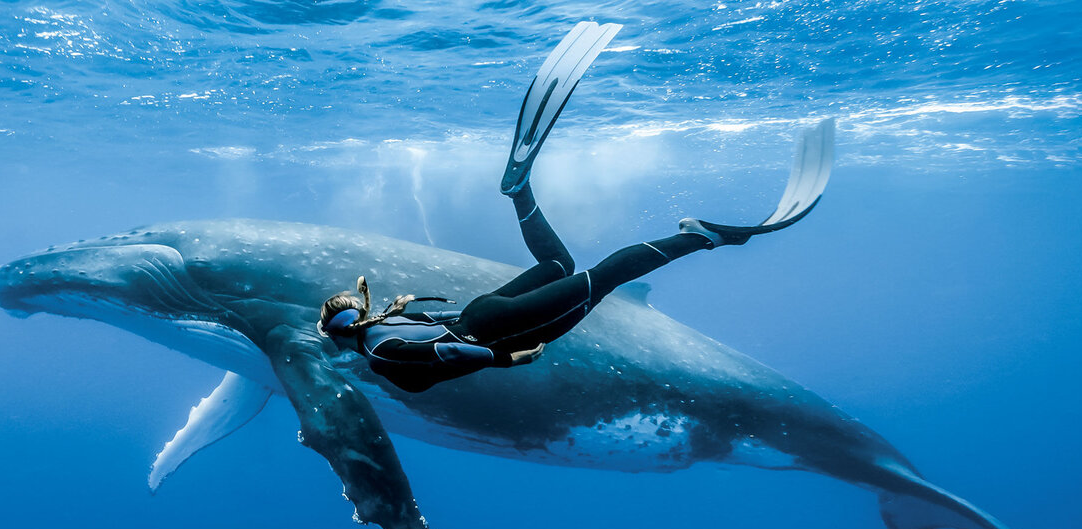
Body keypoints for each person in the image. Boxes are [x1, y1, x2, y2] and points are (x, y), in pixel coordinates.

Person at [317, 22, 833, 393]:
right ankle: (520, 192)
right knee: (556, 266)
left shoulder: (379, 352)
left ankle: (702, 235)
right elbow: (445, 325)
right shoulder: (385, 322)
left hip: (504, 329)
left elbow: (453, 352)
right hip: (482, 311)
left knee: (605, 274)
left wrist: (507, 358)